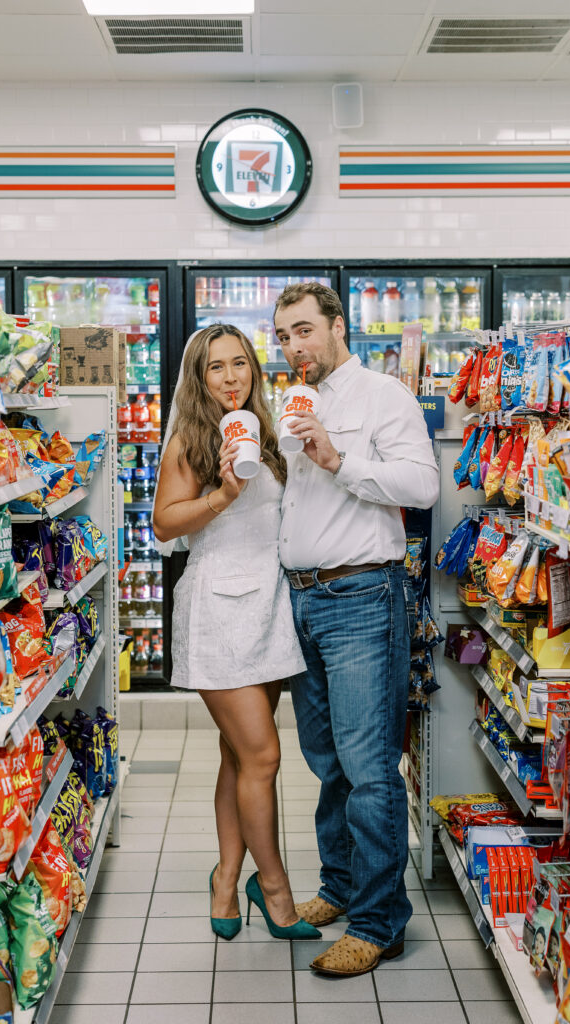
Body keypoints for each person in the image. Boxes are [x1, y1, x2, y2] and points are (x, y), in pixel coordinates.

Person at [273, 282, 440, 976]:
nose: (294, 346)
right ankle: (339, 889)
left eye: (305, 330)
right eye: (283, 335)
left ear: (338, 326)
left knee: (369, 768)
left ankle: (378, 923)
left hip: (362, 597)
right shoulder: (288, 405)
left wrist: (339, 459)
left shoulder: (383, 396)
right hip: (301, 600)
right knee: (326, 762)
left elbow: (421, 486)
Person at [152, 323, 320, 943]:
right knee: (264, 755)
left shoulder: (266, 434)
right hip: (219, 610)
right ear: (199, 378)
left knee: (237, 756)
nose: (231, 377)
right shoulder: (189, 441)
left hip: (269, 608)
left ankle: (227, 877)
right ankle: (274, 890)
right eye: (216, 368)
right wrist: (223, 493)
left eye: (240, 364)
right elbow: (164, 525)